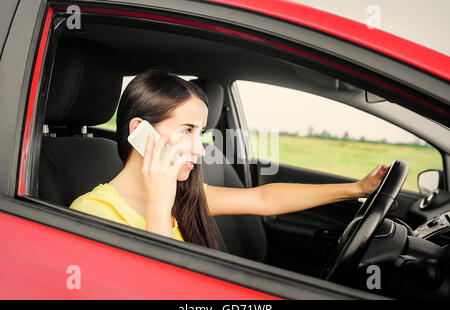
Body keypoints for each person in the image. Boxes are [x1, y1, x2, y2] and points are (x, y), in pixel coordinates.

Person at [70, 69, 389, 251]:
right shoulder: (94, 213)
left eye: (202, 134)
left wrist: (357, 188)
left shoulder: (184, 194)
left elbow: (263, 199)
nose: (199, 150)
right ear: (140, 132)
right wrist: (157, 209)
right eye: (186, 131)